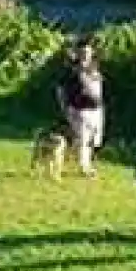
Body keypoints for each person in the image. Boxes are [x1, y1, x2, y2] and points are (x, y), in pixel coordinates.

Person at [56, 37, 105, 178]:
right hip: (79, 110)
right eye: (82, 52)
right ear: (78, 53)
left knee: (94, 140)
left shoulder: (94, 68)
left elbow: (99, 86)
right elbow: (60, 89)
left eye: (87, 52)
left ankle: (82, 163)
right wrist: (64, 107)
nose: (85, 55)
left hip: (96, 109)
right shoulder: (71, 69)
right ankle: (84, 168)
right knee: (83, 139)